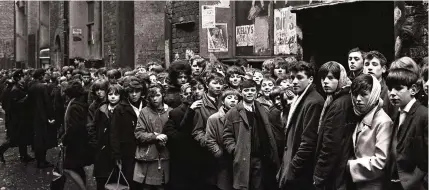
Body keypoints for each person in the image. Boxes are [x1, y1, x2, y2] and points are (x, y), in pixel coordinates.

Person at [223, 79, 280, 190]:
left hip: (261, 156)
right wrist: (235, 150)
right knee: (243, 185)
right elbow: (227, 136)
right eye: (246, 90)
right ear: (241, 92)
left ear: (256, 92)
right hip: (244, 156)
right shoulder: (233, 112)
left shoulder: (262, 108)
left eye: (252, 90)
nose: (249, 93)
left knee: (259, 185)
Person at [277, 61, 324, 190]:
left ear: (310, 79)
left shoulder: (313, 102)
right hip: (292, 166)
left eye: (299, 77)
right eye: (292, 78)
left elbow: (308, 142)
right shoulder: (301, 98)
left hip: (300, 172)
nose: (294, 82)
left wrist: (292, 169)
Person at [312, 61, 356, 190]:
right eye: (323, 78)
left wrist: (319, 176)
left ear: (341, 79)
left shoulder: (339, 104)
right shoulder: (335, 99)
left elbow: (331, 144)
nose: (325, 81)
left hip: (336, 171)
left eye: (331, 78)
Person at [347, 74, 393, 190]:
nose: (358, 99)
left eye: (363, 95)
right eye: (355, 94)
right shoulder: (361, 115)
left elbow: (381, 162)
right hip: (358, 183)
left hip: (373, 185)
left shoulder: (383, 122)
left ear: (374, 95)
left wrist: (349, 165)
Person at [386, 68, 428, 190]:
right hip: (395, 181)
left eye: (398, 88)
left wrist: (417, 182)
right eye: (389, 89)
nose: (392, 93)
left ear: (413, 90)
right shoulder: (398, 114)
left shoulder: (424, 116)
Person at [162, 78, 204, 190]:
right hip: (183, 156)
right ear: (182, 96)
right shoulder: (175, 112)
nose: (191, 96)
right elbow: (172, 134)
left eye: (193, 92)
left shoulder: (204, 107)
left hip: (201, 155)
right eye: (188, 94)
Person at [134, 84, 172, 190]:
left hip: (165, 155)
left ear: (163, 95)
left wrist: (167, 137)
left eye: (158, 95)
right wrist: (154, 136)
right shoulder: (144, 112)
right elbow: (139, 133)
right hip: (148, 156)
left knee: (161, 186)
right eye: (151, 96)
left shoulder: (170, 112)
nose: (154, 99)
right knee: (147, 186)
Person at [192, 72, 225, 189]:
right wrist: (209, 143)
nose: (218, 86)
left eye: (220, 83)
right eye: (215, 83)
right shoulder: (200, 104)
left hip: (227, 149)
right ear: (207, 85)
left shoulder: (226, 100)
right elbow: (197, 131)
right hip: (209, 152)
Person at [87, 84, 123, 190]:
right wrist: (95, 143)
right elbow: (92, 126)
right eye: (110, 94)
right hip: (102, 150)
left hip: (117, 150)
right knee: (102, 180)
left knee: (116, 180)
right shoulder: (101, 109)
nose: (112, 97)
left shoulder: (124, 110)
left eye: (116, 94)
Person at [61, 79, 93, 190]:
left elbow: (74, 127)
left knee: (68, 168)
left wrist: (65, 139)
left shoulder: (74, 105)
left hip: (75, 143)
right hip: (82, 141)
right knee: (78, 167)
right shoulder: (82, 102)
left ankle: (83, 189)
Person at [204, 90, 240, 190]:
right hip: (223, 158)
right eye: (229, 98)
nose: (233, 101)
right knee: (224, 184)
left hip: (238, 156)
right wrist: (219, 153)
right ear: (223, 101)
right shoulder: (214, 118)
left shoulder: (241, 117)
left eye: (236, 99)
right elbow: (210, 139)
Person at [0, 70, 35, 164]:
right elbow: (15, 104)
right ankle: (1, 150)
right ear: (19, 78)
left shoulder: (20, 87)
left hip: (21, 117)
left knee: (22, 137)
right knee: (14, 139)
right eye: (22, 77)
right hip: (17, 119)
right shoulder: (15, 89)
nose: (24, 78)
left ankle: (24, 155)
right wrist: (27, 97)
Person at [27, 68, 56, 168]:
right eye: (44, 74)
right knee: (43, 139)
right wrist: (51, 116)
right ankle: (42, 161)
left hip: (33, 116)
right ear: (41, 76)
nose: (46, 76)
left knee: (37, 138)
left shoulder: (31, 86)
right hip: (42, 116)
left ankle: (39, 159)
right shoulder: (43, 87)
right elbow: (47, 103)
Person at [363, 51, 396, 117]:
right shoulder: (360, 89)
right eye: (366, 64)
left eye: (374, 64)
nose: (369, 67)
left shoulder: (389, 91)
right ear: (363, 69)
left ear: (383, 69)